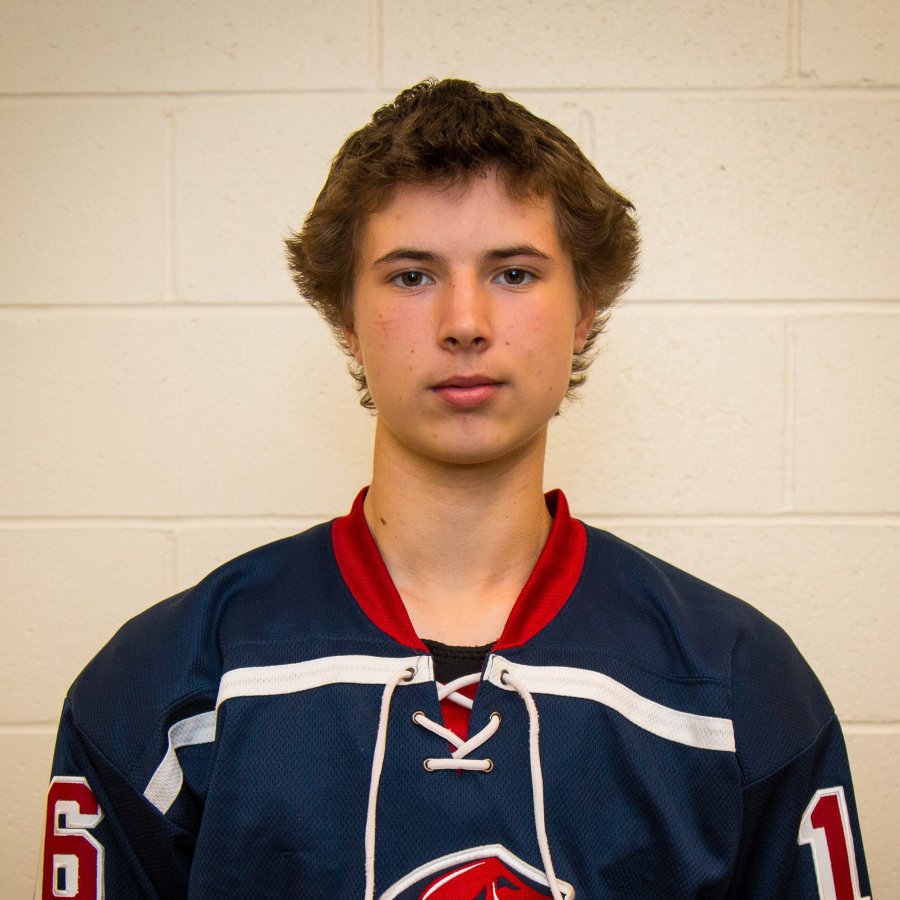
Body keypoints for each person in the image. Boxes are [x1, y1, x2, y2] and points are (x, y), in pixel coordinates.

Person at [38, 79, 870, 899]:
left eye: (514, 273)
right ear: (345, 318)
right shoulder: (167, 682)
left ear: (584, 311)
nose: (465, 323)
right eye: (411, 276)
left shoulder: (736, 685)